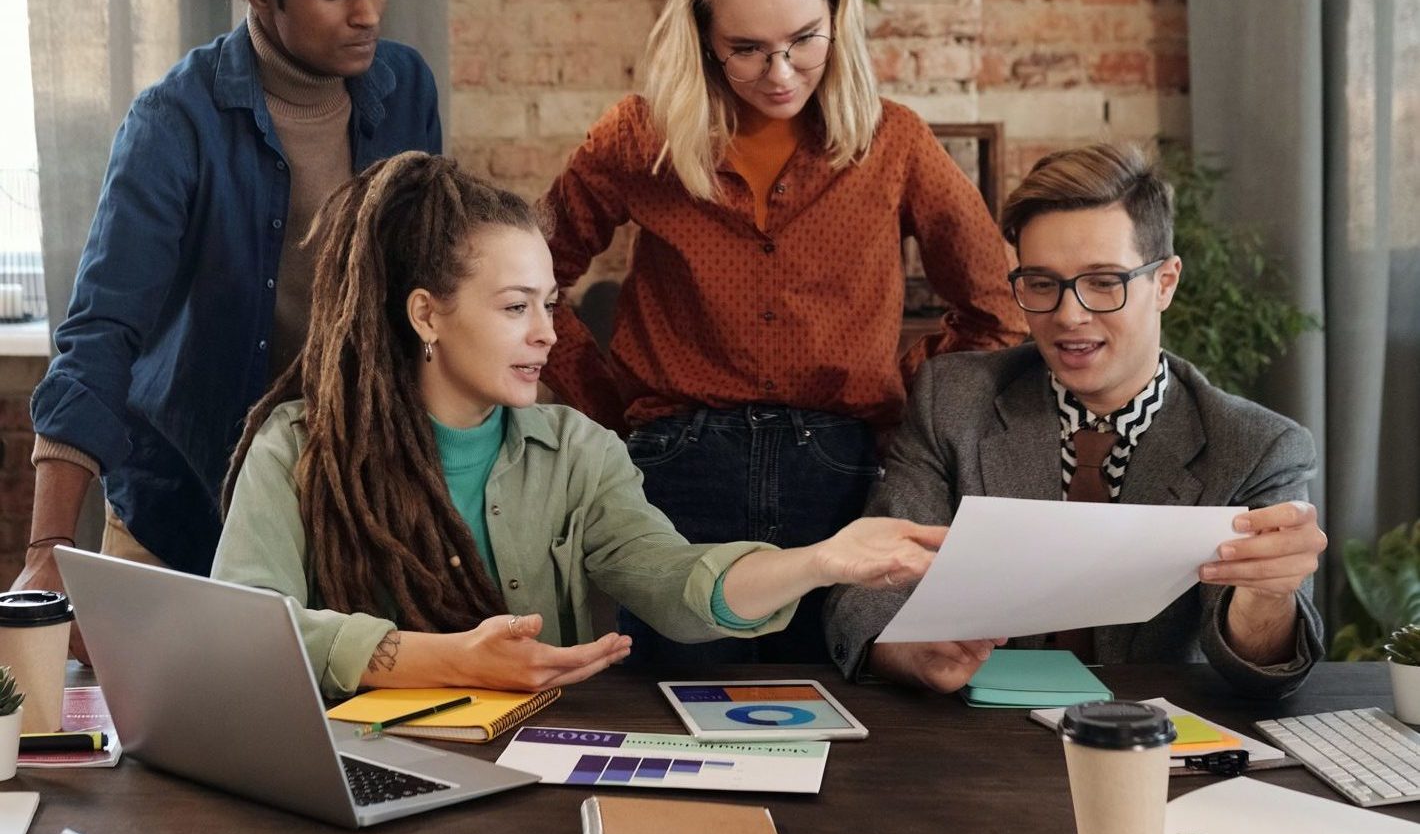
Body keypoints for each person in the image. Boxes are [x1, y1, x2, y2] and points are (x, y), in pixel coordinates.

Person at [210, 153, 945, 698]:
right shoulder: (299, 449)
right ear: (427, 313)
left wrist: (821, 560)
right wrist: (444, 660)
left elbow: (675, 583)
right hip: (357, 777)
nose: (547, 334)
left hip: (534, 780)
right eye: (514, 307)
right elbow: (246, 633)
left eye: (550, 304)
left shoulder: (579, 452)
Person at [540, 0, 1026, 666]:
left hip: (836, 473)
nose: (780, 72)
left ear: (838, 12)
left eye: (804, 40)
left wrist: (895, 386)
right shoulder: (639, 140)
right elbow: (534, 282)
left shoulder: (893, 142)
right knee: (673, 711)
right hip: (675, 472)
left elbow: (999, 310)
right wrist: (608, 410)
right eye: (747, 48)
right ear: (701, 35)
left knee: (838, 714)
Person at [17, 0, 441, 658]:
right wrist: (46, 550)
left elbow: (425, 289)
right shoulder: (174, 120)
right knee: (159, 765)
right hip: (185, 504)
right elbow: (103, 330)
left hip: (352, 509)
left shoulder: (405, 87)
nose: (367, 14)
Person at [824, 143, 1328, 698]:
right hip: (976, 741)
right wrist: (907, 651)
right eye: (1041, 284)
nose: (1069, 315)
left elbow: (1261, 670)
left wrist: (1268, 595)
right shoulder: (953, 399)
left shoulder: (1258, 445)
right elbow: (866, 589)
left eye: (1104, 282)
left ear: (1164, 283)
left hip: (1155, 745)